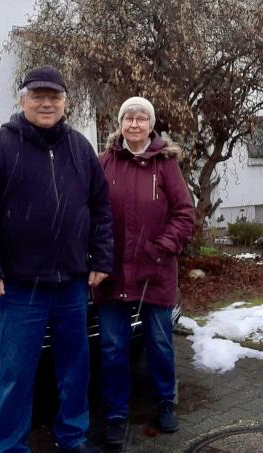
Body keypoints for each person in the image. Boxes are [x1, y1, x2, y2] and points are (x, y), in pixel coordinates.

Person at [0, 66, 113, 453]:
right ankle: (10, 446)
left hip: (71, 285)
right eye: (38, 96)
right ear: (22, 100)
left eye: (54, 96)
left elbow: (101, 209)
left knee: (75, 369)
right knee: (15, 373)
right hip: (18, 287)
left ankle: (73, 437)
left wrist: (101, 259)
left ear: (65, 102)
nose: (46, 103)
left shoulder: (80, 148)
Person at [94, 96, 195, 448]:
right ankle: (115, 413)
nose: (134, 124)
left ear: (151, 125)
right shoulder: (104, 163)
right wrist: (96, 256)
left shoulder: (165, 164)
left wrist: (159, 248)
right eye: (128, 118)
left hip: (156, 270)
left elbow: (184, 214)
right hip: (113, 273)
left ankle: (165, 402)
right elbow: (90, 212)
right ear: (120, 124)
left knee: (159, 342)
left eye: (141, 118)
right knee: (112, 347)